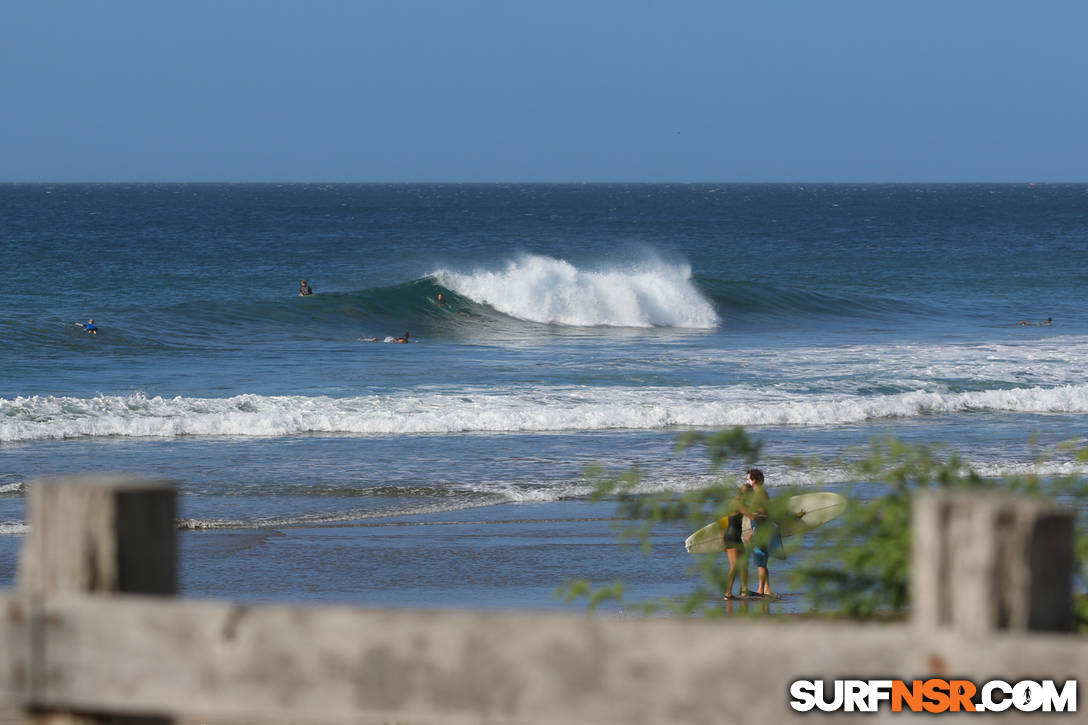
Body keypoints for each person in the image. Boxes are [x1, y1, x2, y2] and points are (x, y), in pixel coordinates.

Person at [743, 468, 781, 598]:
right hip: (760, 527)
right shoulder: (758, 493)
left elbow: (766, 513)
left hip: (761, 528)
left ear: (754, 481)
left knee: (760, 560)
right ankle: (766, 589)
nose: (746, 481)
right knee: (762, 561)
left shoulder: (759, 494)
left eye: (748, 478)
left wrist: (752, 516)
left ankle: (761, 590)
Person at [720, 482, 752, 600]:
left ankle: (744, 590)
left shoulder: (739, 502)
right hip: (732, 537)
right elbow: (751, 515)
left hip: (734, 536)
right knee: (734, 566)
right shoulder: (737, 503)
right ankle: (727, 593)